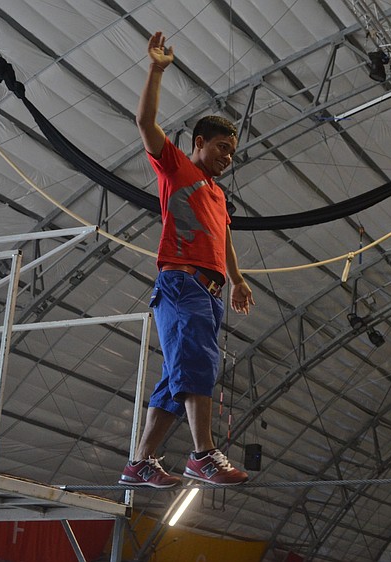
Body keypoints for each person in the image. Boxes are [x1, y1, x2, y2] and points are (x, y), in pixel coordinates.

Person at [119, 31, 254, 488]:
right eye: (221, 148)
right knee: (198, 364)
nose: (228, 158)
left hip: (210, 290)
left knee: (175, 381)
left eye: (233, 153)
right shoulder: (178, 167)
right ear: (199, 142)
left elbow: (224, 237)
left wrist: (236, 279)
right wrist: (156, 70)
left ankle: (139, 463)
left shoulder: (216, 193)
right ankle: (202, 454)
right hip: (182, 283)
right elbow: (144, 122)